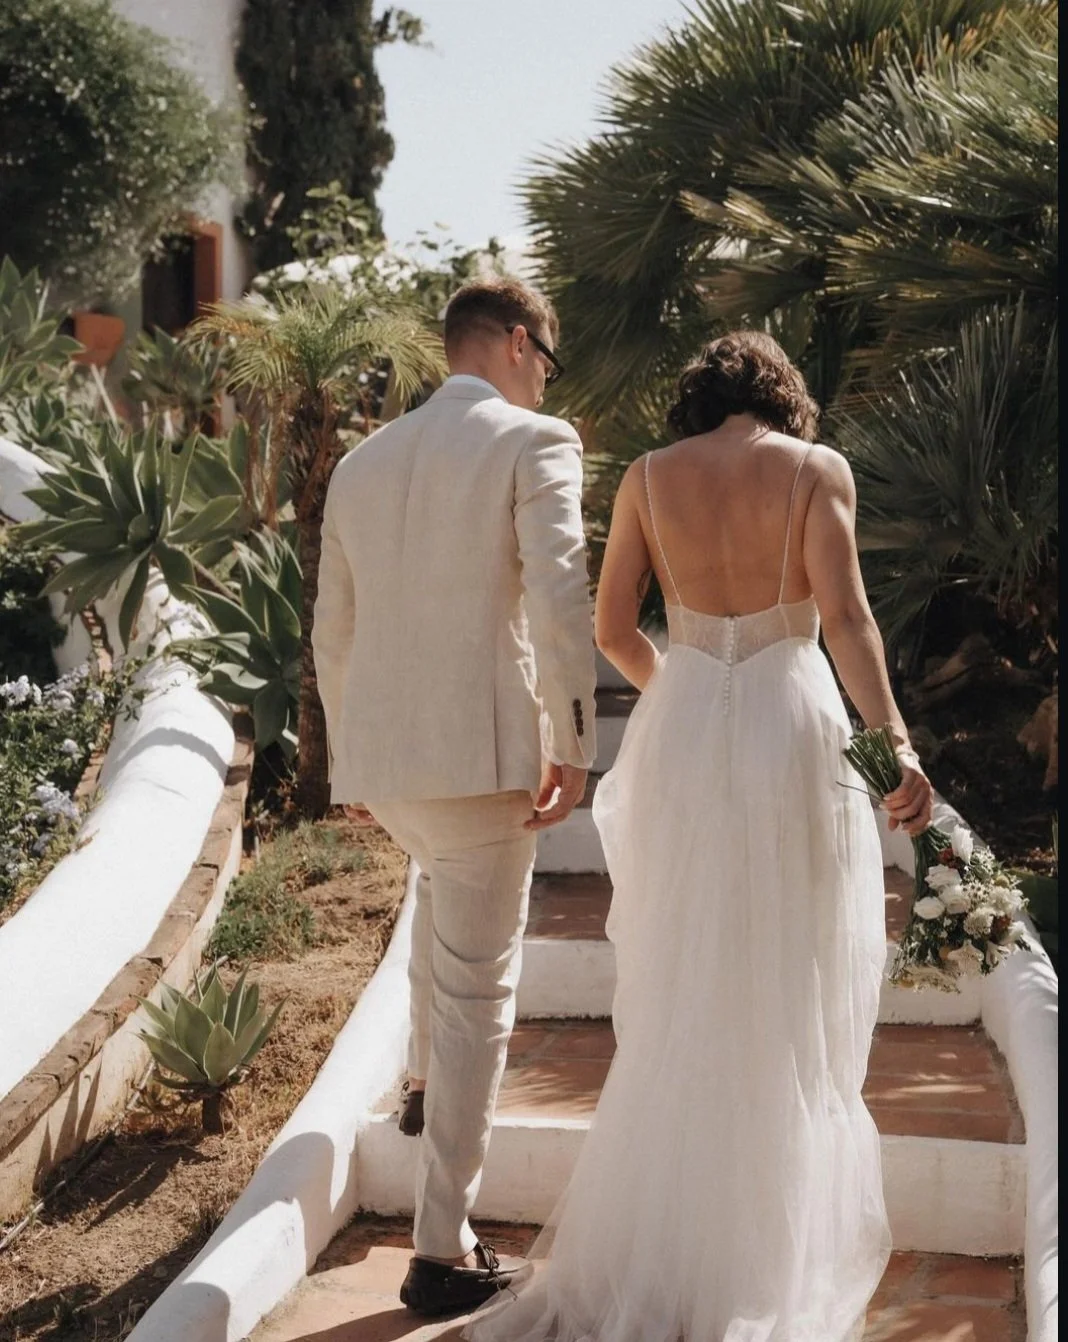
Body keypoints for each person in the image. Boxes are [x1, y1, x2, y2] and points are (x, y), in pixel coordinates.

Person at [465, 331, 933, 1342]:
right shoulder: (816, 471)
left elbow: (612, 627)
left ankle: (669, 1257)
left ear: (698, 400)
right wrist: (892, 739)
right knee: (789, 976)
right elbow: (847, 618)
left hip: (683, 734)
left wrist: (681, 691)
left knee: (685, 981)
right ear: (783, 398)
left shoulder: (645, 476)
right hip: (791, 723)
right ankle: (764, 1256)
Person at [311, 277, 597, 1317]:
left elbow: (330, 633)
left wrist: (354, 758)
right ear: (521, 343)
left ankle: (430, 1086)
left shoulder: (361, 462)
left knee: (441, 905)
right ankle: (442, 1247)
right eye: (544, 362)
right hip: (483, 763)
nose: (543, 381)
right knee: (480, 991)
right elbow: (561, 592)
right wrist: (573, 737)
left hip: (393, 765)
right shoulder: (535, 440)